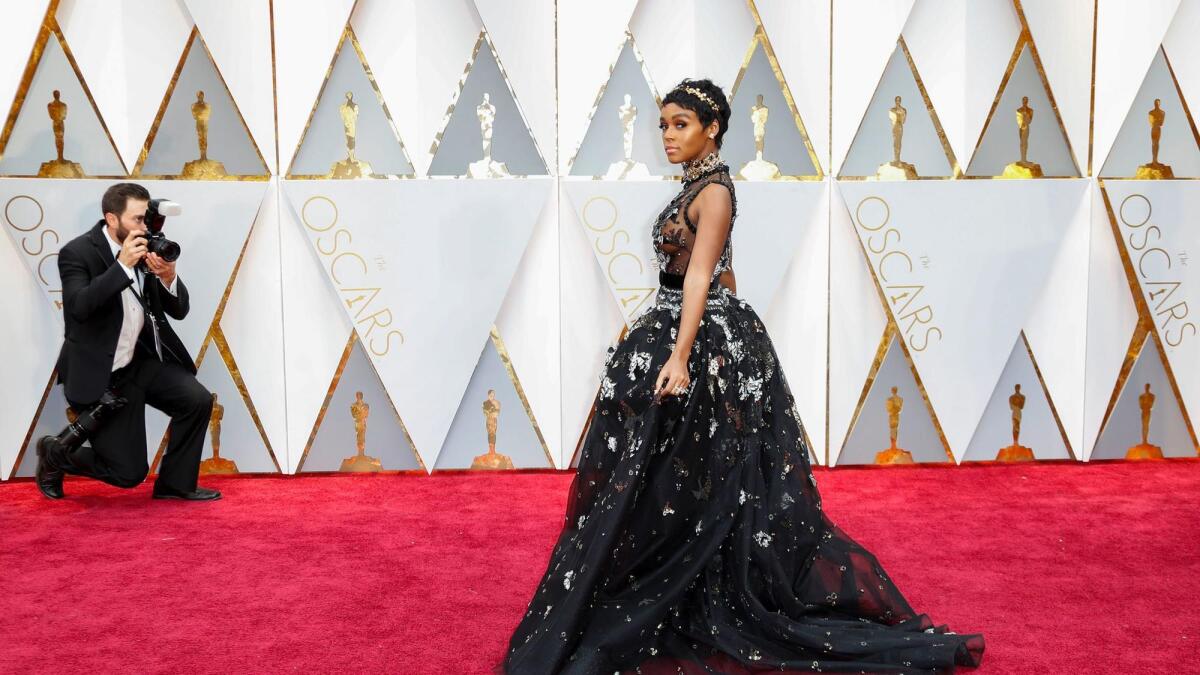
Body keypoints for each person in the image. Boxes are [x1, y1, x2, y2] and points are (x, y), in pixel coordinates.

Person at [501, 79, 983, 673]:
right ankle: (664, 582)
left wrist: (683, 355)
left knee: (706, 472)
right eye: (664, 126)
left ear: (714, 128)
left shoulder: (716, 193)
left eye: (681, 124)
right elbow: (718, 273)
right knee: (675, 471)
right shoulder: (699, 187)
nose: (669, 136)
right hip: (689, 324)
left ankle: (703, 586)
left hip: (694, 334)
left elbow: (701, 276)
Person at [34, 182, 220, 501]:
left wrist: (167, 276)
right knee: (128, 474)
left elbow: (178, 310)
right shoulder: (78, 253)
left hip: (138, 362)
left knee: (197, 399)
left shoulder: (145, 246)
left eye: (146, 218)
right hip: (99, 371)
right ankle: (56, 451)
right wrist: (122, 266)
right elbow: (79, 308)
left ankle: (175, 484)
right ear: (111, 218)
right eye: (136, 219)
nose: (143, 227)